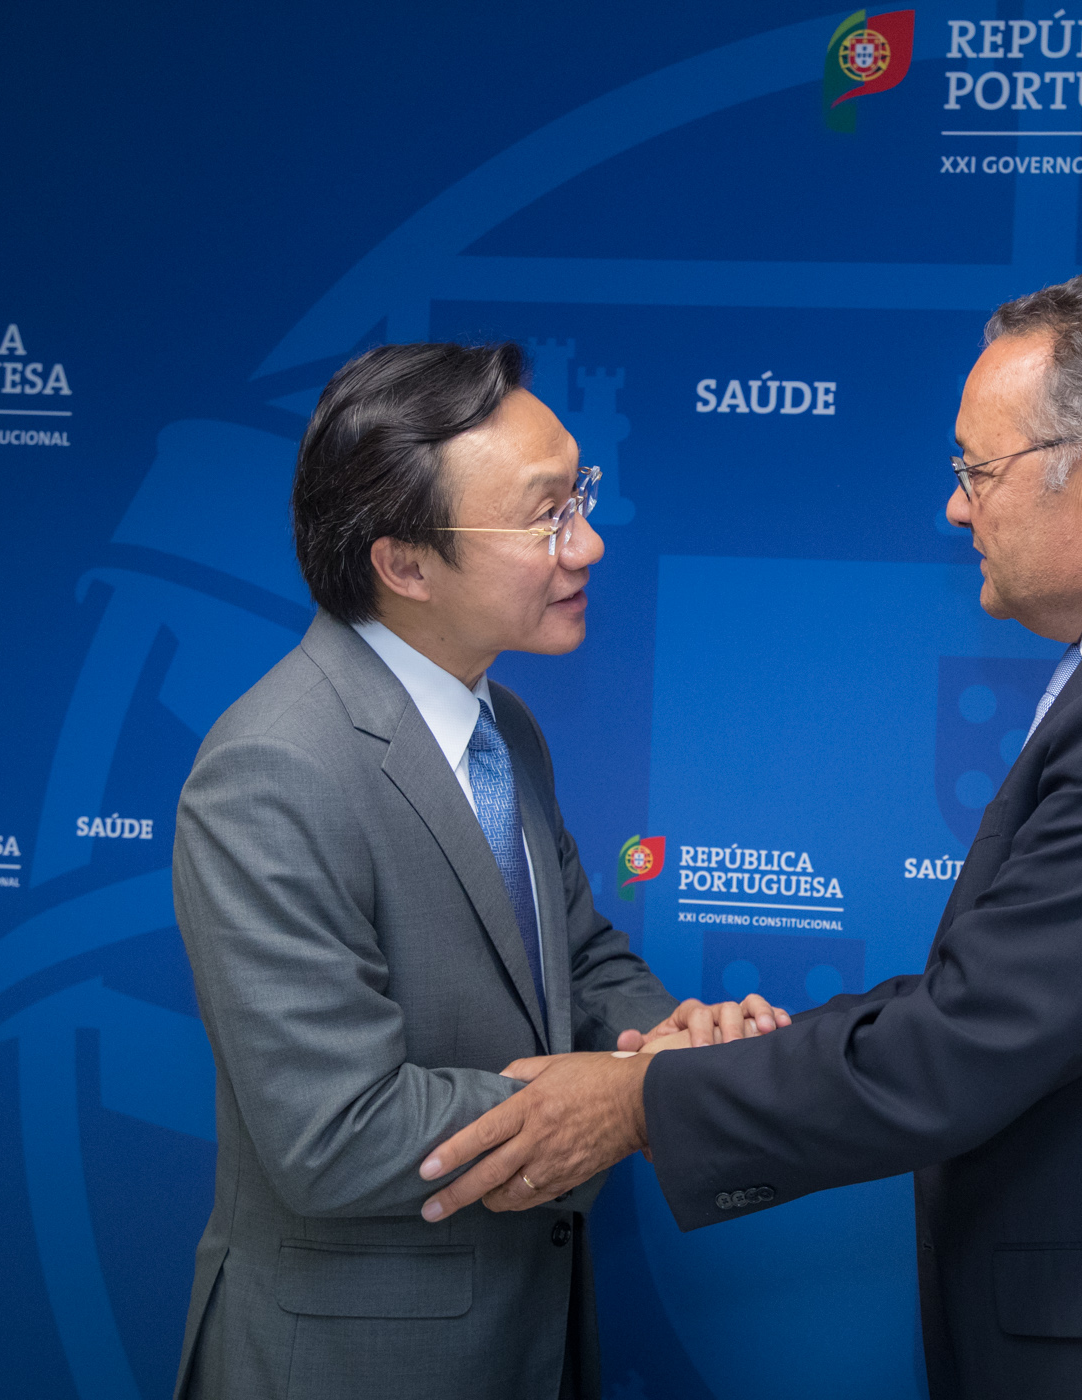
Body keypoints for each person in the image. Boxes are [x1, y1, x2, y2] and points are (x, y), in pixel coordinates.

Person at [419, 275, 1082, 1399]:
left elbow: (976, 1036)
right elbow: (1005, 995)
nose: (955, 509)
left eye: (976, 472)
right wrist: (708, 1062)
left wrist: (638, 1100)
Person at [169, 341, 785, 1400]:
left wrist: (672, 1040)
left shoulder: (506, 730)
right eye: (546, 516)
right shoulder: (273, 768)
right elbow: (332, 1130)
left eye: (581, 496)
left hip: (525, 1339)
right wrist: (629, 1099)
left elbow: (574, 958)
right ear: (405, 565)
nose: (589, 542)